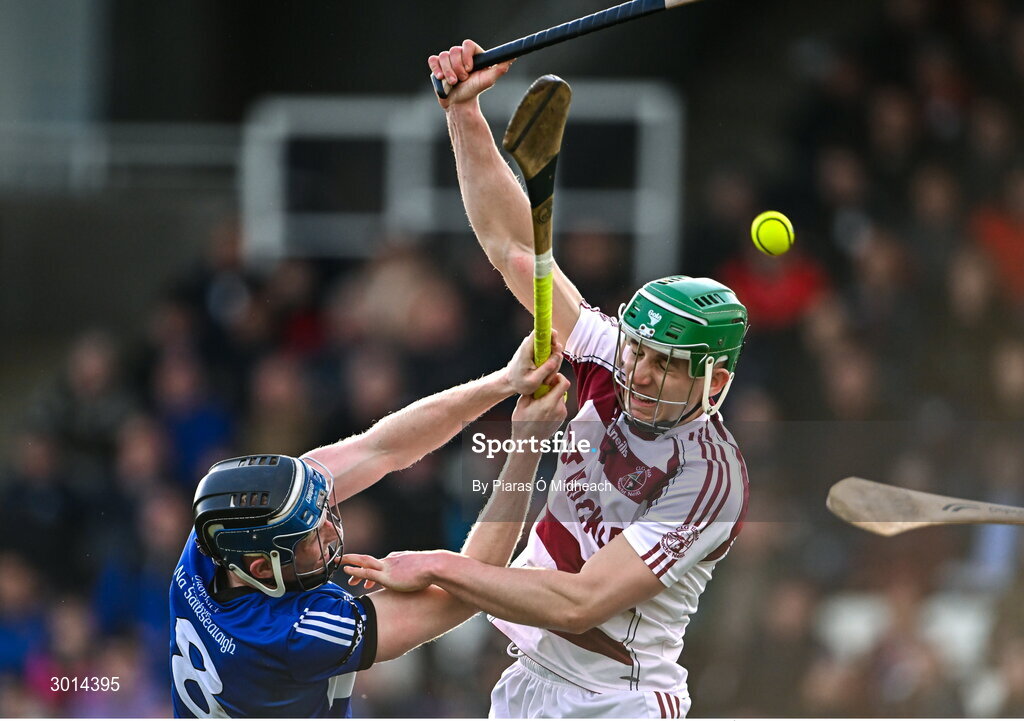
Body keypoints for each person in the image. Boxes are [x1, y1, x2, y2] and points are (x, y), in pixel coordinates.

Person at [343, 43, 751, 719]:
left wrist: (443, 566)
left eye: (669, 364)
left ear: (716, 381)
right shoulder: (606, 359)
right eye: (641, 350)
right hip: (529, 678)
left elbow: (584, 598)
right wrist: (463, 112)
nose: (642, 372)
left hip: (617, 701)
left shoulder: (710, 476)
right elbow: (511, 248)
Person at [169, 333, 571, 717]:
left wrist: (504, 381)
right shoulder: (295, 634)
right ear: (261, 568)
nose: (330, 530)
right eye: (310, 536)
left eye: (322, 512)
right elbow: (469, 593)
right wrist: (528, 446)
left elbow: (383, 447)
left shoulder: (214, 545)